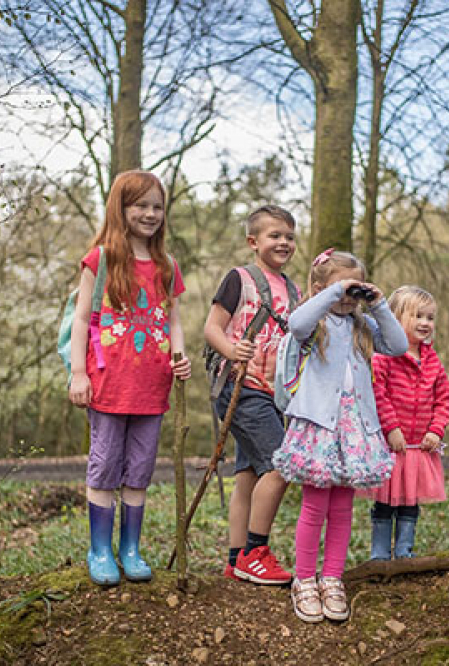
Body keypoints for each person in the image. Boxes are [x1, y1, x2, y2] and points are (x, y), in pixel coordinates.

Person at [68, 170, 191, 586]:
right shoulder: (100, 259)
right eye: (141, 205)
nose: (150, 214)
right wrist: (78, 373)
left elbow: (173, 320)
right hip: (107, 385)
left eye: (157, 206)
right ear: (121, 208)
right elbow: (82, 319)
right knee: (104, 467)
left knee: (139, 471)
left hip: (151, 388)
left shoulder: (167, 265)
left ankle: (130, 549)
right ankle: (99, 550)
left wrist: (179, 356)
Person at [273, 249, 408, 623]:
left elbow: (398, 346)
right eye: (342, 290)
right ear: (319, 289)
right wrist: (333, 293)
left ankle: (332, 578)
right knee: (315, 506)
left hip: (355, 428)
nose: (349, 299)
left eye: (354, 290)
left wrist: (378, 304)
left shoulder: (363, 326)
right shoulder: (313, 323)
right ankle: (304, 579)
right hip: (320, 426)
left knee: (343, 509)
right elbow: (296, 323)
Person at [203, 205, 301, 585]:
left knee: (248, 474)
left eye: (289, 237)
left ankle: (236, 556)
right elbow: (213, 327)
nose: (283, 242)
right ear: (253, 241)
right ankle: (256, 552)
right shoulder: (239, 279)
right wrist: (231, 351)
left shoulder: (292, 289)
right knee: (282, 464)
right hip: (239, 388)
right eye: (274, 235)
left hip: (272, 395)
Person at [368, 286, 449, 560]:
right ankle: (380, 553)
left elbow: (443, 400)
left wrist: (435, 431)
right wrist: (391, 428)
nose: (425, 323)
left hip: (418, 448)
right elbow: (377, 394)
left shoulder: (433, 361)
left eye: (429, 317)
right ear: (394, 318)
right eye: (417, 316)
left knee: (410, 501)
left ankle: (404, 549)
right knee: (384, 502)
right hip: (390, 446)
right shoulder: (384, 357)